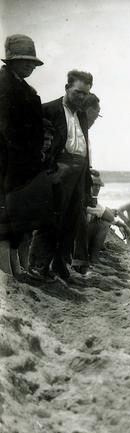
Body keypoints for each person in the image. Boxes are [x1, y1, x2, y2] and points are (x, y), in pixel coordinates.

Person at [29, 70, 94, 280]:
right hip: (58, 169)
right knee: (51, 218)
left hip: (79, 169)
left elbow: (85, 146)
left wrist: (87, 180)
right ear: (67, 88)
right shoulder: (48, 109)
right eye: (78, 92)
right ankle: (39, 265)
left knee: (72, 220)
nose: (82, 97)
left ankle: (59, 263)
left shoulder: (82, 114)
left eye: (85, 93)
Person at [0, 34, 45, 277]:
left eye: (32, 63)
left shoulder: (25, 88)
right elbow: (7, 130)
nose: (30, 66)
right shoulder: (5, 86)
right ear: (12, 61)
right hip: (8, 162)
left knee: (17, 217)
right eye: (26, 61)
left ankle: (16, 266)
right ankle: (7, 269)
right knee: (5, 217)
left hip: (22, 164)